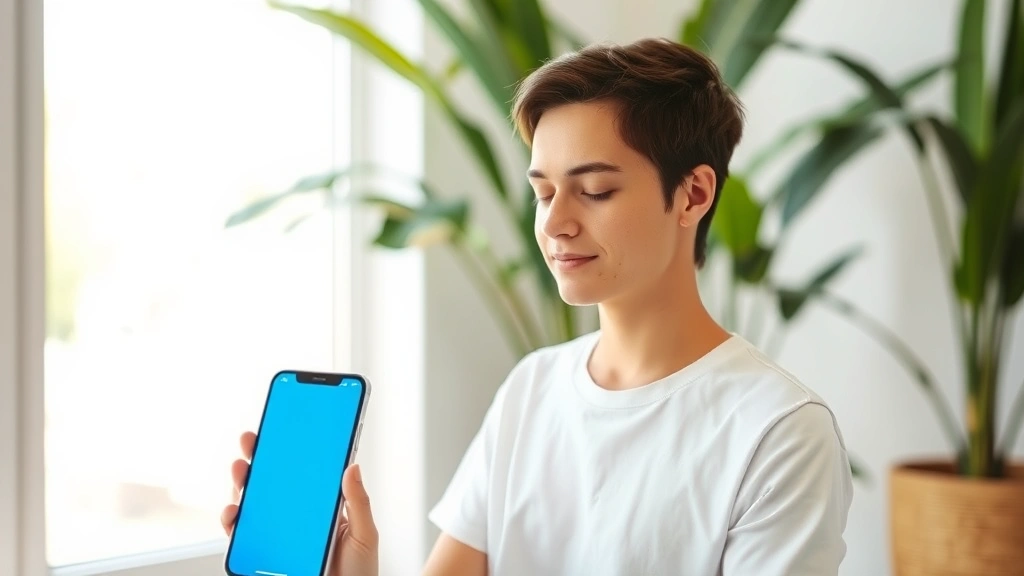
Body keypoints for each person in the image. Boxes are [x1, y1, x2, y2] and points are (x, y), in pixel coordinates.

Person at [221, 37, 853, 575]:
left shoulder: (779, 432)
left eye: (595, 191)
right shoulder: (533, 388)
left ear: (692, 194)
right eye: (544, 193)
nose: (555, 223)